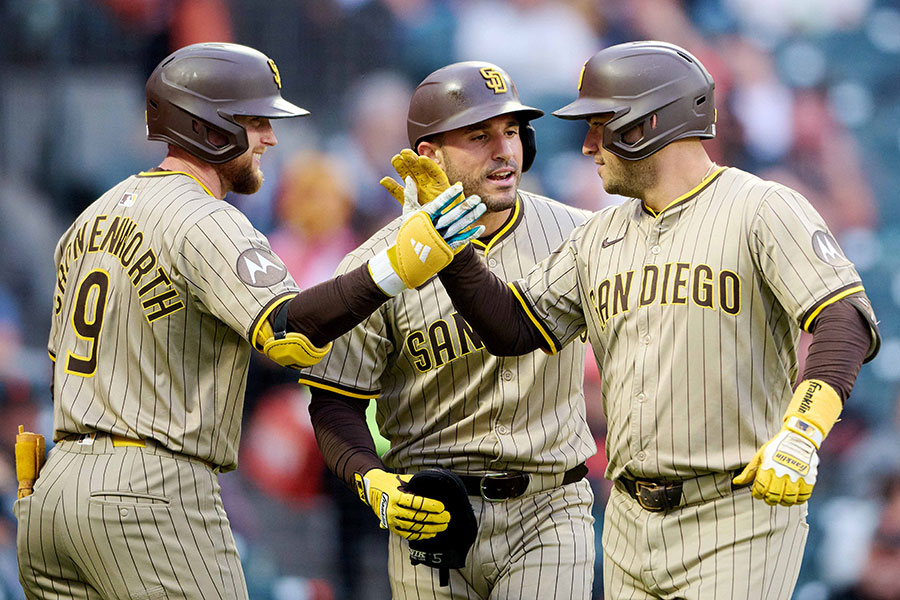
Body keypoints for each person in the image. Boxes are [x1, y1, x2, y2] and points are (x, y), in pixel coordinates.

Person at [15, 42, 484, 600]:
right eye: (256, 121)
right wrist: (396, 265)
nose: (270, 138)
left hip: (51, 490)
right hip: (147, 492)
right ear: (211, 130)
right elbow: (288, 332)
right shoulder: (206, 217)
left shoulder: (90, 218)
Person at [433, 41, 881, 600]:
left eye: (599, 124)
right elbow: (514, 329)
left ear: (643, 125)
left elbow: (844, 318)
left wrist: (802, 430)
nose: (588, 144)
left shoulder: (762, 207)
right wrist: (448, 246)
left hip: (735, 514)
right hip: (626, 522)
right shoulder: (598, 235)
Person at [298, 61, 598, 599]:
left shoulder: (578, 234)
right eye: (479, 136)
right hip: (431, 515)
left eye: (511, 132)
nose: (504, 151)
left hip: (550, 507)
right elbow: (334, 402)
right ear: (428, 157)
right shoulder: (376, 266)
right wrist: (374, 481)